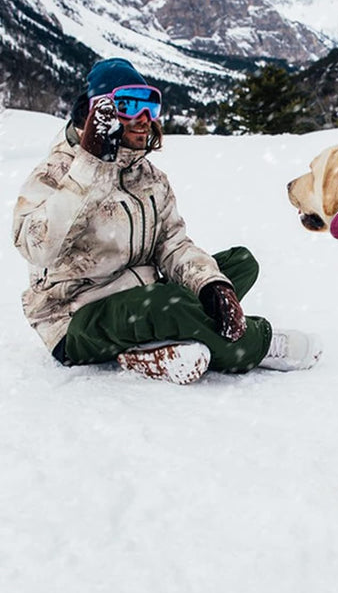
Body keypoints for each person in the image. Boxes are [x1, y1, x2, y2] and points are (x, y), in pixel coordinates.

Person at [12, 57, 321, 384]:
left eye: (151, 105)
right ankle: (254, 344)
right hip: (75, 319)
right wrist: (90, 168)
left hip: (142, 295)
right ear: (99, 112)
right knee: (167, 303)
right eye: (130, 105)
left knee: (240, 264)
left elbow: (172, 244)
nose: (144, 118)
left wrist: (210, 285)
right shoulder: (58, 171)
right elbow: (36, 249)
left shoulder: (148, 177)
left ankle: (157, 345)